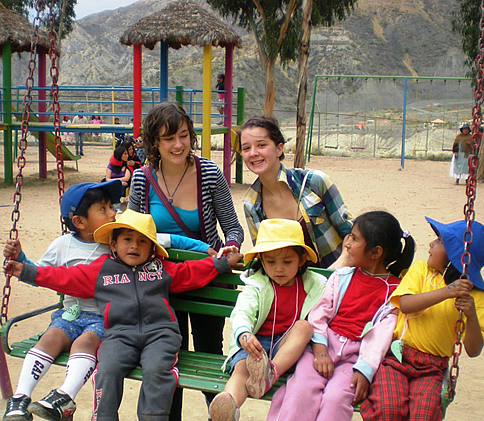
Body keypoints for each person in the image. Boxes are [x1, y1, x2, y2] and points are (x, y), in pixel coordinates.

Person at [5, 210, 243, 421]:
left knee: (157, 369)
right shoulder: (100, 269)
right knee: (107, 368)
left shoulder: (161, 267)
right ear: (113, 244)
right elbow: (63, 277)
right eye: (127, 239)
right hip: (119, 334)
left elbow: (190, 272)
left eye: (142, 241)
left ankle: (153, 417)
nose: (134, 246)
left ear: (151, 248)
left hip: (160, 334)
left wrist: (221, 263)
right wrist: (24, 270)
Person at [128, 102, 244, 420]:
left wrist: (231, 246)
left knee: (209, 351)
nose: (178, 145)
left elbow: (232, 226)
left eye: (183, 135)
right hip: (162, 284)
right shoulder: (142, 180)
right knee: (168, 358)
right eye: (168, 138)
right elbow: (133, 234)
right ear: (154, 142)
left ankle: (219, 413)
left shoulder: (208, 174)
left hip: (208, 279)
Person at [267, 211, 416, 421]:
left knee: (336, 399)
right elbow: (319, 314)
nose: (347, 243)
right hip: (323, 345)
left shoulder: (393, 292)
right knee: (301, 389)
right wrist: (319, 350)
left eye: (354, 238)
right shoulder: (341, 277)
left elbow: (381, 335)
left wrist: (365, 370)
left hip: (355, 358)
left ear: (376, 252)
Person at [1, 180, 123, 421]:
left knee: (86, 341)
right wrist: (20, 259)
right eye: (103, 209)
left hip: (102, 318)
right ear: (79, 221)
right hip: (70, 315)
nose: (113, 213)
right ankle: (20, 397)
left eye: (112, 207)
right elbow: (39, 274)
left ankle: (64, 395)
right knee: (51, 337)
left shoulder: (115, 244)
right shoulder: (62, 245)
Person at [360, 217, 484, 421]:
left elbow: (474, 350)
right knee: (389, 408)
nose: (431, 244)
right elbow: (405, 304)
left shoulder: (473, 296)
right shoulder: (421, 270)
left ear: (457, 257)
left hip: (432, 368)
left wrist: (471, 316)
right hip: (397, 356)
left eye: (440, 241)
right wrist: (447, 292)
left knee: (424, 413)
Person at [208, 219, 327, 421]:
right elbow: (241, 312)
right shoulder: (257, 284)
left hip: (286, 347)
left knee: (304, 327)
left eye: (287, 262)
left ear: (302, 259)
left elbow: (323, 316)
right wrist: (244, 333)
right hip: (255, 344)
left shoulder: (314, 284)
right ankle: (229, 406)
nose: (279, 269)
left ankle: (271, 373)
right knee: (242, 369)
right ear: (262, 260)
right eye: (271, 262)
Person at [239, 115, 353, 269]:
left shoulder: (315, 182)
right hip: (291, 287)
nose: (253, 153)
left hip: (334, 280)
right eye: (246, 148)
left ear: (279, 148)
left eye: (261, 145)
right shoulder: (251, 204)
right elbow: (265, 256)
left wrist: (337, 268)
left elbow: (351, 232)